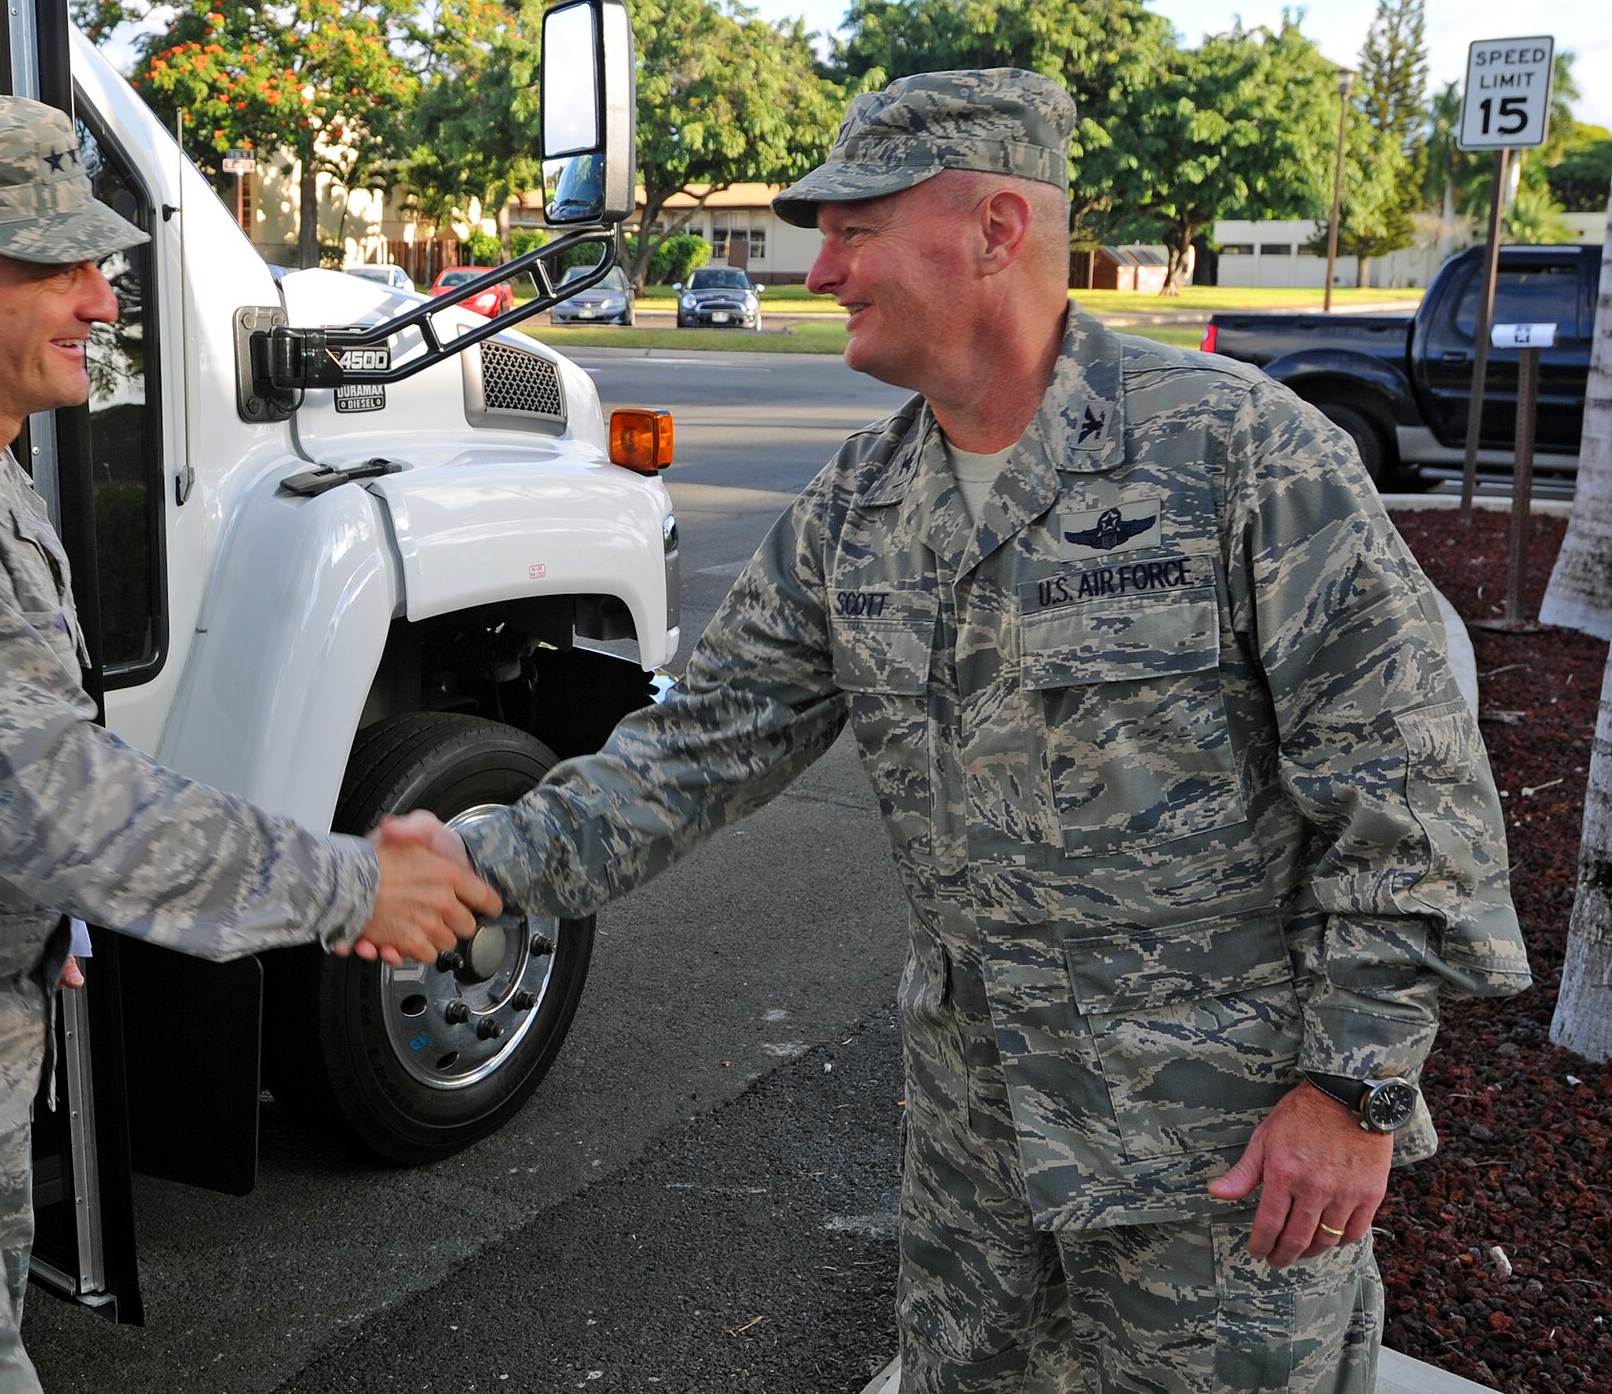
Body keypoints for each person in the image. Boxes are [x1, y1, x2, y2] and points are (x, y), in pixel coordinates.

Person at [419, 70, 1531, 1391]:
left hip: (1221, 1174)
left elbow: (1414, 802)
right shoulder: (859, 506)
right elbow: (696, 746)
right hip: (976, 1171)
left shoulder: (1242, 457)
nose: (819, 268)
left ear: (997, 229)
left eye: (854, 228)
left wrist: (1356, 1094)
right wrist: (476, 863)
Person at [0, 95, 498, 1394]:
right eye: (61, 267)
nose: (103, 301)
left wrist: (38, 918)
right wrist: (358, 881)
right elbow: (58, 799)